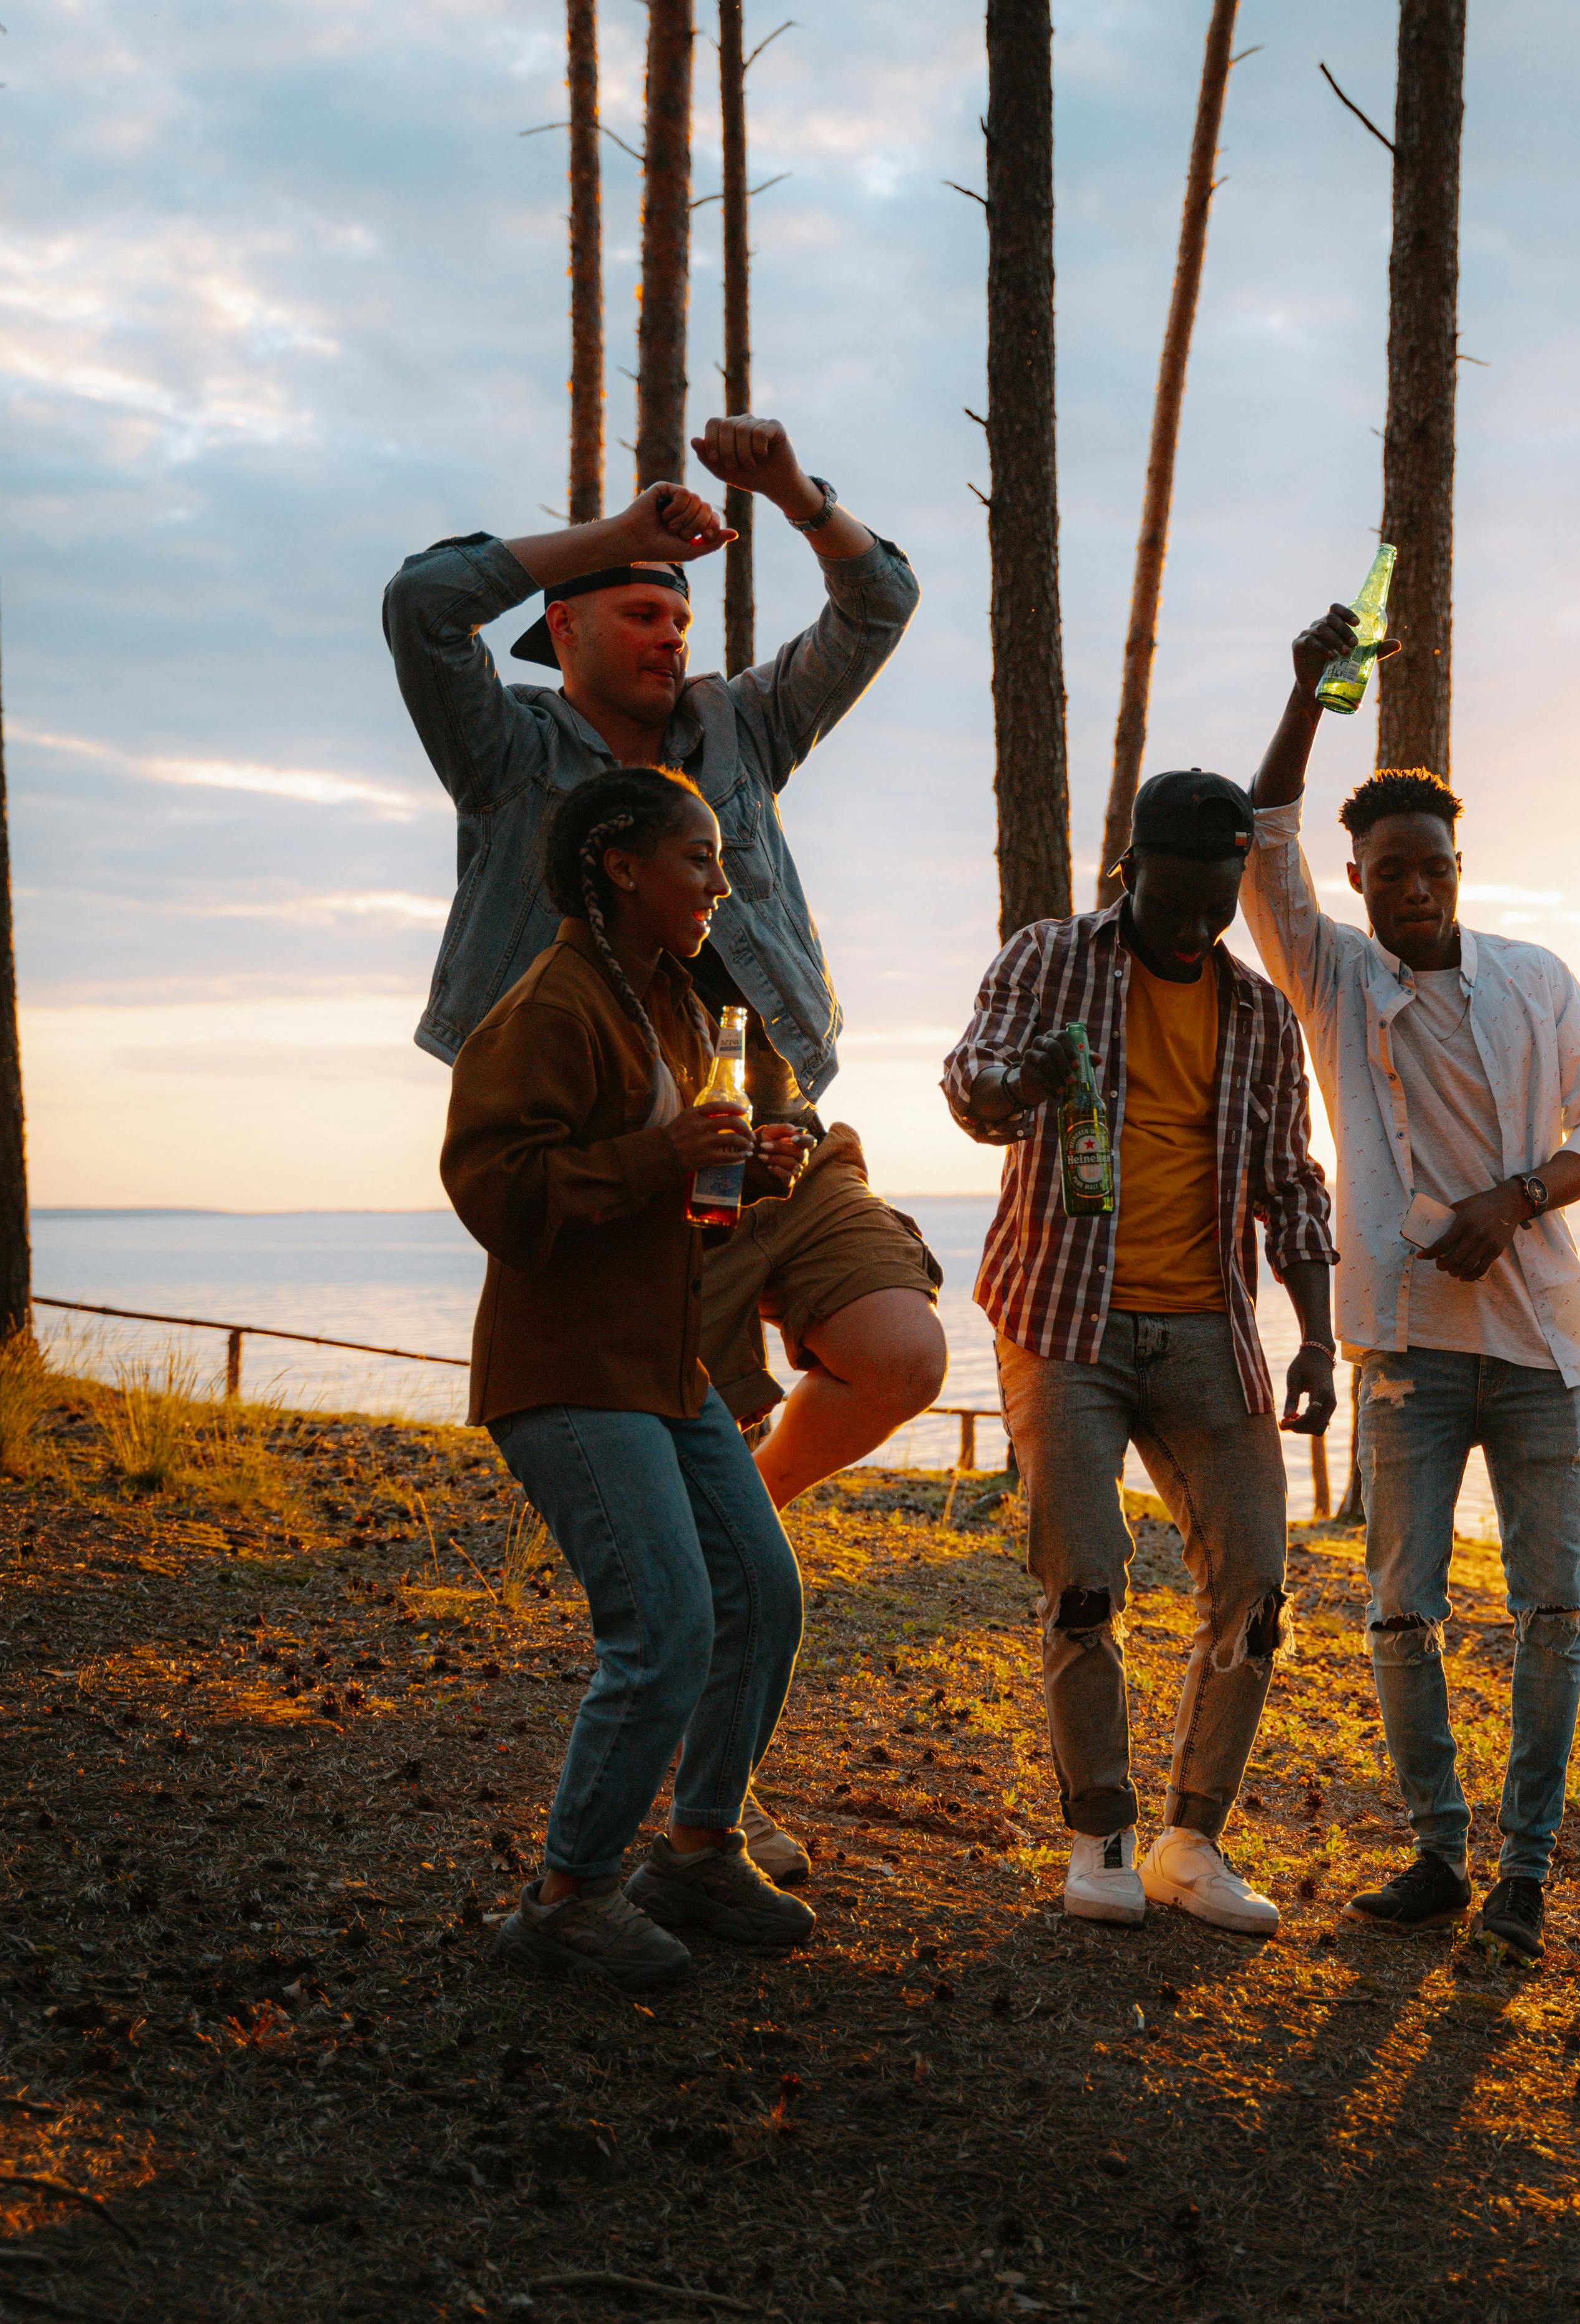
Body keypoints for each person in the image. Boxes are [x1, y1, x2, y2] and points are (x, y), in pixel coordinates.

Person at [384, 417, 946, 1880]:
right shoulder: (511, 751)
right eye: (640, 607)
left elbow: (880, 601)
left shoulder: (741, 732)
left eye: (682, 612)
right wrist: (615, 525)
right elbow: (420, 603)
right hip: (627, 1177)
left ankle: (719, 1550)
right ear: (561, 624)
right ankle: (666, 1828)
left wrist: (787, 494)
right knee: (691, 1594)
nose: (669, 633)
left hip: (778, 1142)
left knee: (899, 1353)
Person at [1239, 607, 1580, 1966]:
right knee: (1402, 1606)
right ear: (1356, 877)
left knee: (1551, 1608)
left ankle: (1525, 1867)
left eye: (1434, 866)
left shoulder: (1536, 980)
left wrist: (1518, 1197)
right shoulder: (1332, 977)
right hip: (1404, 1349)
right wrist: (1307, 694)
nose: (1414, 887)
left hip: (1533, 1348)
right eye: (1389, 869)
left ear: (1461, 867)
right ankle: (1436, 1846)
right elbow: (1264, 836)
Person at [941, 768, 1341, 1939]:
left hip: (1207, 1325)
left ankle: (1192, 1841)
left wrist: (1315, 1333)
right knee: (1085, 1579)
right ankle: (1100, 1838)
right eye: (1178, 900)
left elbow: (1292, 1183)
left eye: (1219, 903)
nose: (1197, 925)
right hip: (1062, 1318)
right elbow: (971, 1087)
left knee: (1256, 1581)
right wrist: (1031, 1081)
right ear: (1132, 875)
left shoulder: (1259, 1014)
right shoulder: (1052, 957)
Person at [444, 768, 817, 1992]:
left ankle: (699, 1847)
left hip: (666, 1359)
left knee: (762, 1592)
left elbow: (679, 1186)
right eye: (698, 858)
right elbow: (495, 1188)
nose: (719, 881)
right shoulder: (548, 1004)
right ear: (620, 864)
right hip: (566, 1366)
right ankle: (565, 1897)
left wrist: (746, 1167)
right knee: (662, 1628)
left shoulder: (667, 1001)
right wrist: (659, 1156)